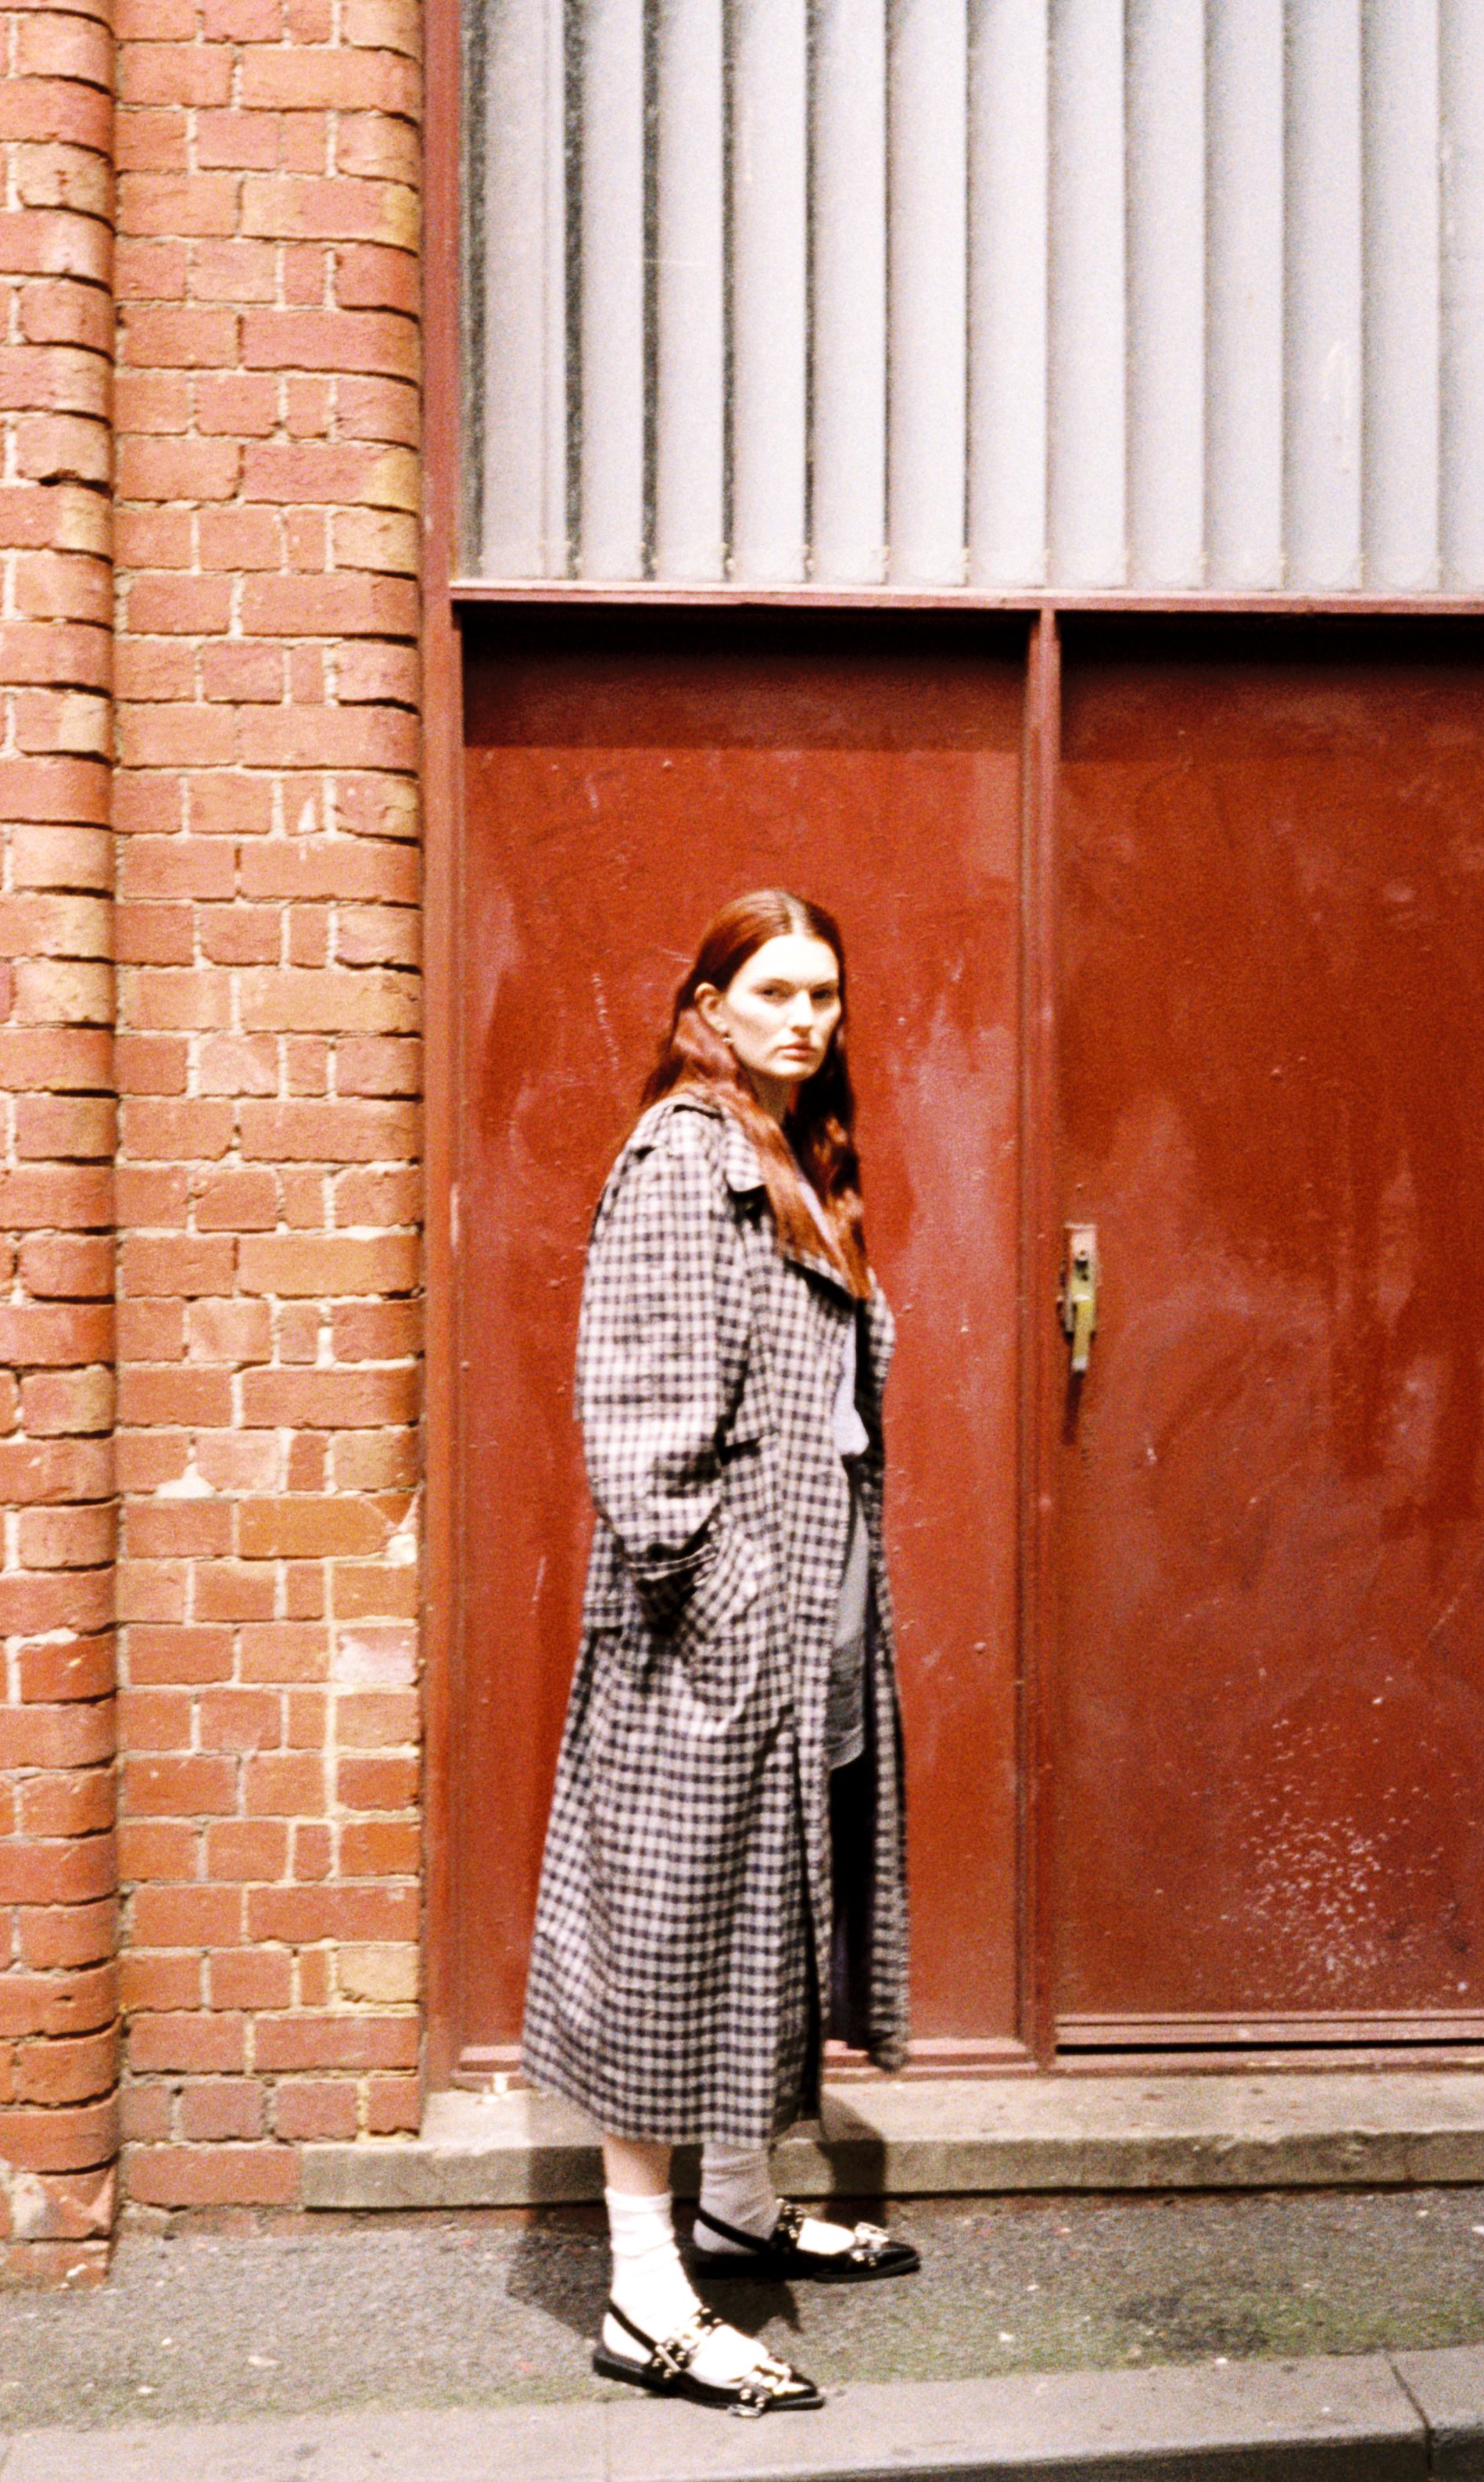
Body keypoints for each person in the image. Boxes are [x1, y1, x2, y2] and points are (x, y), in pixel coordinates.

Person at [521, 889, 918, 2416]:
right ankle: (642, 2292)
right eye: (775, 991)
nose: (807, 1019)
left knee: (762, 1918)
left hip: (802, 1611)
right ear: (711, 1003)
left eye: (826, 993)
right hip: (709, 1633)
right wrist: (732, 1599)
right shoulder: (689, 1157)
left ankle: (740, 2209)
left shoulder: (794, 1158)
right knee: (672, 1936)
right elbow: (638, 1436)